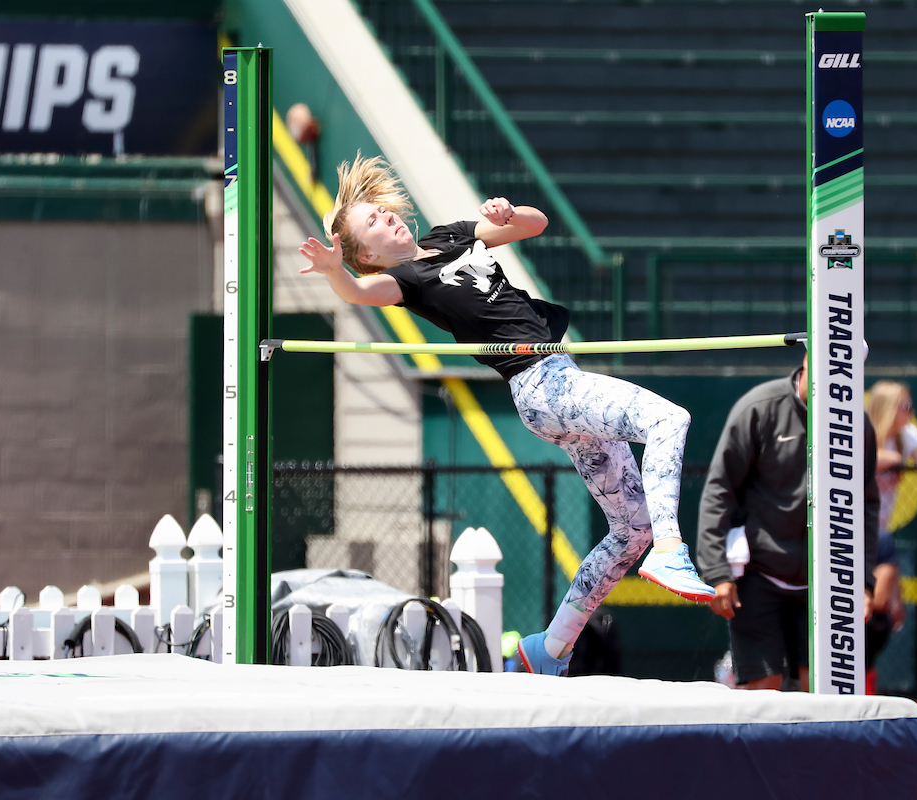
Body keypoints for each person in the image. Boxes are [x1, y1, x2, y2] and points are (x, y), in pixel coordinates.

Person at [298, 154, 714, 676]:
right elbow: (357, 293)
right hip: (542, 384)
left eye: (383, 211)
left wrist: (507, 213)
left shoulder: (451, 235)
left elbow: (537, 224)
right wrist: (337, 271)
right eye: (374, 225)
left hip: (559, 380)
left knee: (631, 530)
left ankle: (549, 649)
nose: (389, 218)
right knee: (667, 420)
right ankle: (671, 548)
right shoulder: (404, 281)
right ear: (368, 254)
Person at [694, 354, 879, 690]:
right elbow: (719, 490)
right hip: (760, 573)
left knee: (823, 689)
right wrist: (717, 572)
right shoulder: (759, 407)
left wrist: (863, 582)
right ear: (806, 365)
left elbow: (864, 505)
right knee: (764, 687)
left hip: (825, 578)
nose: (833, 390)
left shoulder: (856, 423)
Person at [863, 381, 917, 692]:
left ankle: (865, 684)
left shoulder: (906, 434)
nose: (910, 413)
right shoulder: (859, 428)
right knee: (855, 607)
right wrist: (897, 460)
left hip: (879, 535)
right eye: (905, 406)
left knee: (883, 611)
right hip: (844, 532)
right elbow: (870, 456)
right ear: (888, 408)